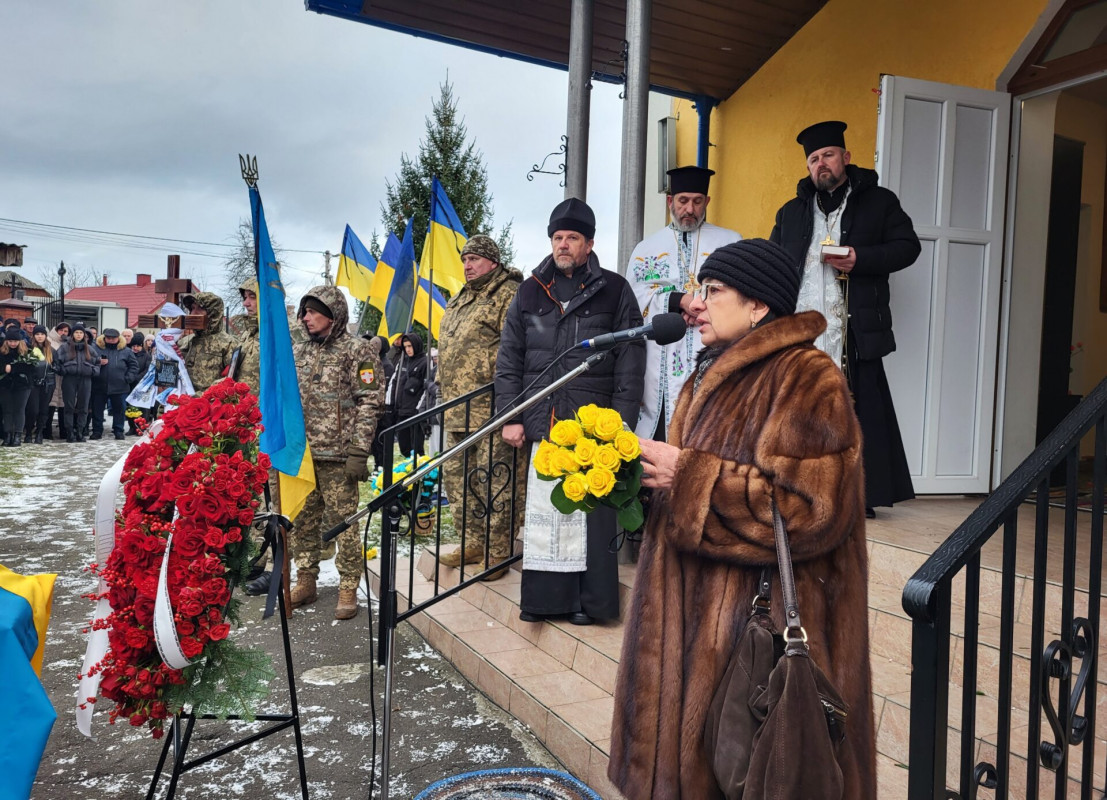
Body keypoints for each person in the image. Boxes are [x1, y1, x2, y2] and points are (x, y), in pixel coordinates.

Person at [607, 239, 875, 798]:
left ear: (759, 307)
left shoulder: (807, 377)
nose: (695, 304)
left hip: (755, 637)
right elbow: (689, 484)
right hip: (689, 631)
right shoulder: (710, 372)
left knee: (748, 775)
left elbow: (811, 509)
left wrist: (691, 478)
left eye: (713, 290)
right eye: (699, 289)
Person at [495, 198, 646, 625]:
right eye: (558, 237)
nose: (563, 245)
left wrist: (621, 423)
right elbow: (510, 358)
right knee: (547, 516)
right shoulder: (528, 291)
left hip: (594, 428)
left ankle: (591, 605)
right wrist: (511, 416)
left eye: (572, 238)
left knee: (591, 520)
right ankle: (547, 603)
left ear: (589, 243)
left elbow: (630, 359)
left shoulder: (615, 290)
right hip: (544, 422)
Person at [770, 120, 920, 518]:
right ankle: (801, 490)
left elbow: (909, 247)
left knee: (858, 412)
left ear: (846, 158)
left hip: (852, 329)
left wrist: (861, 258)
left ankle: (858, 497)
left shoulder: (879, 201)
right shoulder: (791, 212)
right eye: (814, 159)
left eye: (829, 156)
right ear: (808, 167)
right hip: (804, 330)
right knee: (802, 411)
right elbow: (773, 263)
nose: (822, 164)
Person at [627, 166, 741, 439]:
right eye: (682, 201)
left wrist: (701, 306)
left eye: (697, 201)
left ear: (707, 202)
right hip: (661, 360)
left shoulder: (730, 243)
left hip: (711, 349)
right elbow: (634, 298)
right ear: (670, 202)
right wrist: (677, 301)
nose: (689, 208)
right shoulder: (647, 249)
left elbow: (740, 296)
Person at [290, 286, 383, 620]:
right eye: (304, 312)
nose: (306, 317)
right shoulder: (299, 351)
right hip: (303, 455)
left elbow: (369, 401)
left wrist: (359, 450)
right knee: (303, 520)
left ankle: (347, 584)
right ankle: (306, 578)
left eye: (313, 311)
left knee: (345, 524)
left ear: (332, 314)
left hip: (340, 455)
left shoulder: (357, 351)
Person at [435, 234, 525, 576]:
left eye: (474, 259)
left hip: (491, 408)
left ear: (493, 261)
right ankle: (473, 541)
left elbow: (516, 351)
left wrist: (511, 407)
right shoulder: (461, 298)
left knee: (494, 481)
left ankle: (498, 550)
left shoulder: (508, 295)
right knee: (458, 480)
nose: (467, 266)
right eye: (464, 260)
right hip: (457, 409)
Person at [178, 291, 236, 393]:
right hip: (182, 403)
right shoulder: (184, 342)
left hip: (211, 405)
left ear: (213, 314)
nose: (193, 313)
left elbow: (231, 381)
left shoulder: (228, 344)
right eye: (192, 308)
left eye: (199, 308)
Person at [385, 332, 430, 459]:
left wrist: (419, 409)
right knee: (404, 447)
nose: (408, 349)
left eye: (410, 346)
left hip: (415, 412)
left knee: (417, 449)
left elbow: (427, 387)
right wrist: (390, 405)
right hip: (400, 411)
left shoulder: (425, 362)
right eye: (405, 347)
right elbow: (393, 383)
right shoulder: (402, 361)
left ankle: (419, 473)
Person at [90, 328, 138, 440]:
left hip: (120, 386)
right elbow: (88, 362)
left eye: (113, 338)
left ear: (118, 338)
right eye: (108, 338)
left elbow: (134, 366)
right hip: (99, 385)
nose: (111, 340)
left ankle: (118, 430)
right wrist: (98, 362)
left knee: (119, 410)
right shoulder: (95, 349)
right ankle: (97, 431)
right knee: (97, 410)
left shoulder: (126, 350)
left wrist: (127, 378)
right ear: (104, 338)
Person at [55, 323, 100, 442]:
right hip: (69, 379)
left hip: (85, 379)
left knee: (83, 407)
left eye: (81, 333)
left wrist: (93, 371)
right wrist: (63, 370)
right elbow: (57, 363)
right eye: (76, 332)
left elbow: (97, 363)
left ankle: (80, 431)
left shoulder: (90, 349)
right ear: (72, 334)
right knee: (68, 407)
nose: (79, 335)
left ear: (84, 335)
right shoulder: (64, 348)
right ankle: (70, 432)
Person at [0, 329, 35, 446]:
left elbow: (31, 367)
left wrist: (13, 369)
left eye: (15, 341)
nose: (13, 343)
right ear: (6, 341)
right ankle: (8, 435)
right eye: (10, 341)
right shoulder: (2, 352)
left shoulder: (27, 351)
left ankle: (18, 435)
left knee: (20, 410)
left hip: (23, 384)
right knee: (7, 410)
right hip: (5, 384)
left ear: (20, 341)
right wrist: (4, 368)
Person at [24, 325, 55, 444]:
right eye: (37, 334)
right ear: (34, 335)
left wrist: (56, 367)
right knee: (32, 410)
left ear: (45, 336)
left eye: (42, 334)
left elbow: (58, 364)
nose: (40, 336)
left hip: (48, 383)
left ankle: (39, 432)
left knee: (44, 409)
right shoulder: (29, 348)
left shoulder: (51, 350)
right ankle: (28, 433)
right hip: (33, 383)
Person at [46, 323, 70, 440]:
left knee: (63, 404)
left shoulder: (69, 344)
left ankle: (63, 432)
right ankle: (47, 431)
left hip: (64, 377)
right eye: (61, 330)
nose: (63, 333)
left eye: (66, 331)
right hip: (52, 376)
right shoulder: (48, 341)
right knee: (50, 404)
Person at [127, 331, 152, 435]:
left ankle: (141, 428)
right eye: (134, 346)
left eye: (138, 346)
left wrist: (138, 377)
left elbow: (147, 369)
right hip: (130, 384)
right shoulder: (129, 354)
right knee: (130, 407)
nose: (135, 348)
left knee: (142, 408)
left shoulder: (147, 356)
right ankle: (131, 427)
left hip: (143, 385)